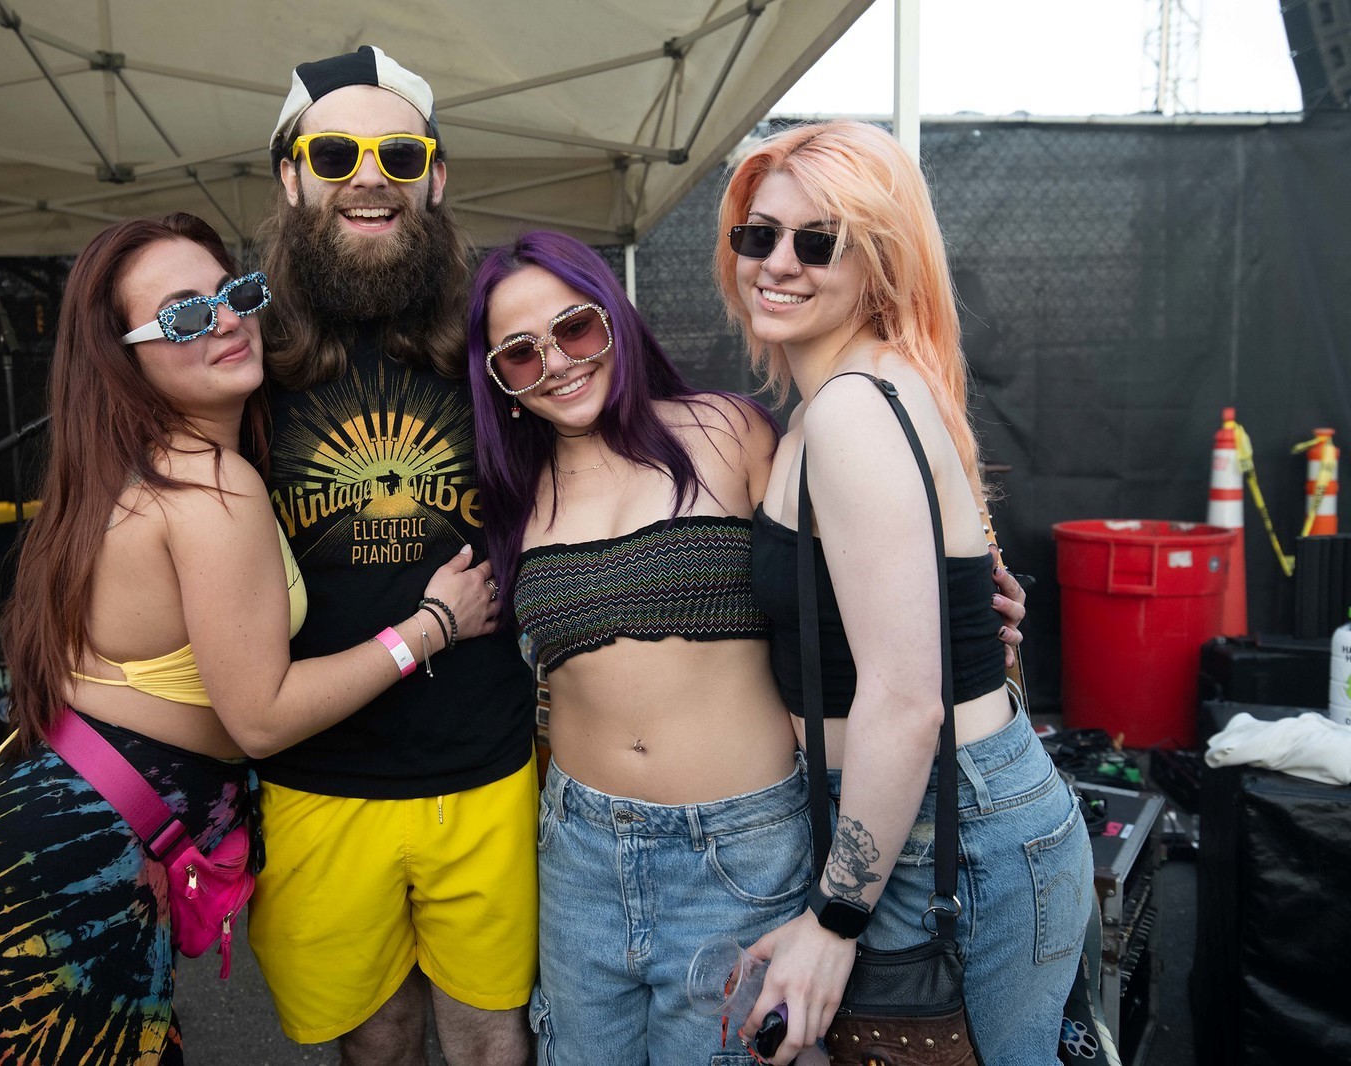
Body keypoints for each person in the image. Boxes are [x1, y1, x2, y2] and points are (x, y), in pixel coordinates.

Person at [0, 212, 495, 1064]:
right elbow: (261, 718)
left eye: (235, 293)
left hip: (46, 839)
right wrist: (431, 626)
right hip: (70, 860)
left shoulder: (134, 468)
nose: (227, 319)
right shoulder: (208, 485)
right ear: (122, 356)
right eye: (185, 315)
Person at [465, 231, 1029, 1066]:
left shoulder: (729, 433)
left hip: (740, 849)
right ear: (500, 382)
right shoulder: (513, 496)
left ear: (615, 320)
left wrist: (970, 606)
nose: (557, 364)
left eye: (575, 328)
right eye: (521, 354)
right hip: (580, 854)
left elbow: (851, 582)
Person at [717, 121, 1093, 1066]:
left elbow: (905, 697)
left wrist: (835, 919)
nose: (779, 263)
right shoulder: (840, 400)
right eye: (759, 234)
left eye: (820, 241)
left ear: (879, 264)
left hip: (946, 829)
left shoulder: (853, 408)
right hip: (917, 815)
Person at [247, 46, 539, 1065]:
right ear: (291, 178)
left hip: (487, 767)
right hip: (317, 780)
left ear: (435, 177)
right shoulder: (240, 355)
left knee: (492, 1040)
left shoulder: (497, 339)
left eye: (398, 155)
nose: (367, 176)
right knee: (377, 1043)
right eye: (335, 154)